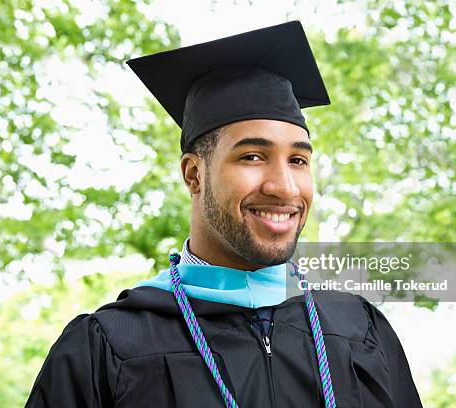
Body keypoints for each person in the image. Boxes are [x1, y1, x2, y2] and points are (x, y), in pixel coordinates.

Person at [26, 21, 423, 407]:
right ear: (194, 175)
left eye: (298, 159)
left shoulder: (361, 332)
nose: (284, 186)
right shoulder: (107, 347)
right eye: (252, 156)